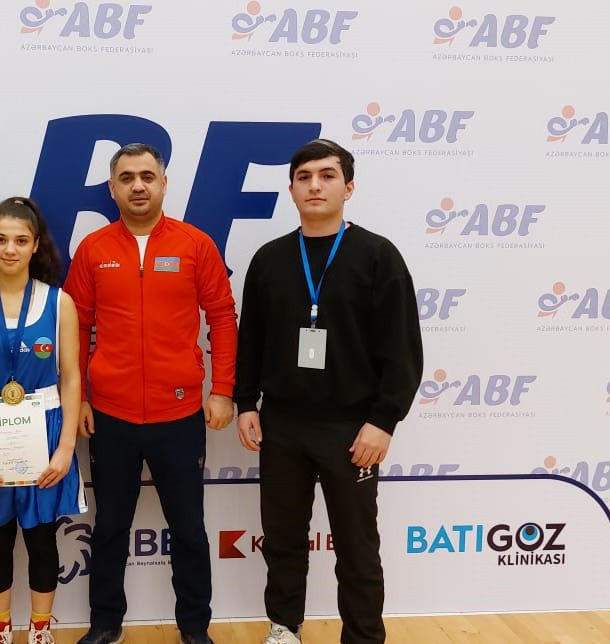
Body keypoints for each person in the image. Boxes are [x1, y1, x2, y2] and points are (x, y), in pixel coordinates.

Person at [234, 139, 423, 644]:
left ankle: (363, 636)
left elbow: (403, 348)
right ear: (291, 189)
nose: (315, 185)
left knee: (357, 546)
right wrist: (246, 402)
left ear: (349, 187)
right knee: (283, 539)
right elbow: (251, 338)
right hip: (283, 425)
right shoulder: (270, 259)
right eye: (304, 177)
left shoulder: (378, 256)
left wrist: (383, 420)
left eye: (327, 175)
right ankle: (284, 628)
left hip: (352, 428)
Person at [63, 143, 238, 644]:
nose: (137, 185)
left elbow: (222, 318)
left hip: (178, 415)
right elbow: (75, 325)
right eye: (126, 178)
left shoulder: (195, 245)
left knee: (188, 529)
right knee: (110, 527)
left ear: (163, 183)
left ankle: (194, 627)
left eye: (146, 176)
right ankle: (105, 624)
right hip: (111, 416)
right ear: (112, 187)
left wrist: (223, 390)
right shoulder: (93, 249)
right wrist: (81, 399)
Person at [0, 197, 85, 644]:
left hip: (44, 429)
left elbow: (71, 377)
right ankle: (1, 632)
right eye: (1, 239)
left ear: (35, 245)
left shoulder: (59, 303)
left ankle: (41, 631)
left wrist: (65, 448)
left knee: (42, 538)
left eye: (21, 240)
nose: (10, 249)